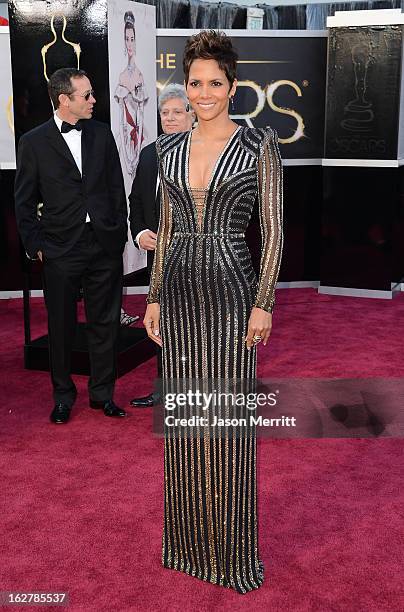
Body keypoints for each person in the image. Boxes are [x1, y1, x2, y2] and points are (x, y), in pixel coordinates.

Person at [143, 31, 283, 593]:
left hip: (231, 291)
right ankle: (185, 546)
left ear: (232, 85)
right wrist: (152, 295)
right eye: (195, 83)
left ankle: (231, 555)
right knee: (185, 421)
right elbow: (171, 229)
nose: (204, 94)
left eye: (214, 84)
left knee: (224, 424)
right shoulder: (170, 150)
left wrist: (264, 302)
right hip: (177, 292)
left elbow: (272, 232)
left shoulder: (258, 145)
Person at [14, 68, 127, 424]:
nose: (94, 100)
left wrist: (117, 231)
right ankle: (63, 395)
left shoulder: (102, 133)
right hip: (60, 248)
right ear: (64, 100)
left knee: (105, 323)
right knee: (60, 327)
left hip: (103, 244)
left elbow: (114, 187)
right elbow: (23, 201)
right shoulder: (33, 142)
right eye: (87, 95)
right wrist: (37, 245)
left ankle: (102, 394)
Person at [129, 83, 195, 408]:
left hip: (195, 257)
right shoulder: (148, 153)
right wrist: (140, 233)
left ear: (191, 115)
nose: (169, 119)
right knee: (160, 323)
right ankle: (166, 391)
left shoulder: (206, 153)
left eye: (176, 113)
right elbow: (136, 200)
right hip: (158, 258)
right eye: (164, 113)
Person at [114, 10, 148, 179]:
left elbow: (141, 109)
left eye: (132, 39)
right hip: (125, 129)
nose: (129, 44)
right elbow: (120, 113)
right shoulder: (120, 75)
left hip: (139, 127)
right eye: (127, 39)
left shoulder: (140, 74)